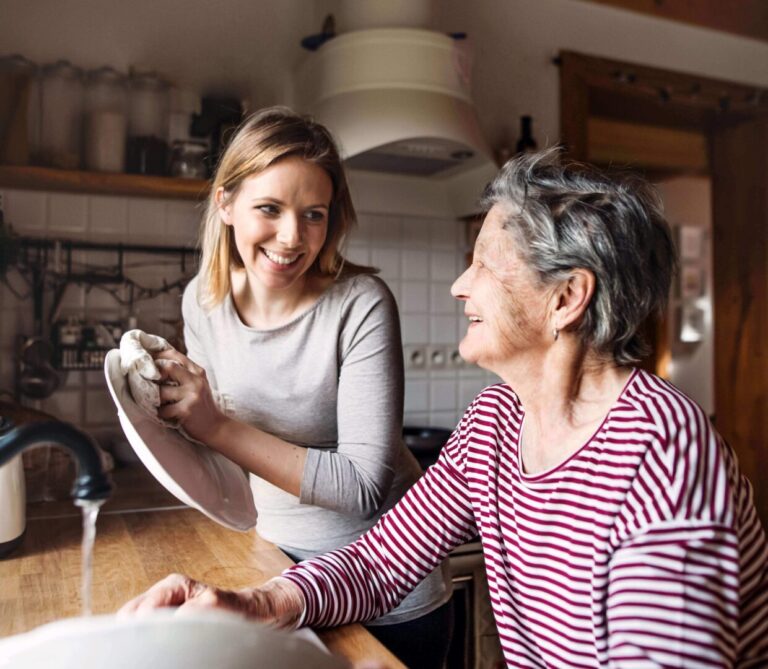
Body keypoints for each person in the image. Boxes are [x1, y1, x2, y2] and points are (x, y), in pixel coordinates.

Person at [121, 149, 768, 667]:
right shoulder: (496, 421)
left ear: (566, 297)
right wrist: (253, 603)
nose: (460, 284)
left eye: (483, 263)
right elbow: (381, 560)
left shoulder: (663, 455)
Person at [135, 106, 453, 668]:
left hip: (387, 592)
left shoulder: (361, 306)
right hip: (275, 569)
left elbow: (362, 487)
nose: (291, 236)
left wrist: (213, 423)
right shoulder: (201, 304)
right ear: (225, 204)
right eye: (269, 208)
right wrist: (168, 411)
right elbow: (220, 457)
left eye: (314, 214)